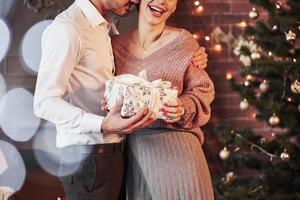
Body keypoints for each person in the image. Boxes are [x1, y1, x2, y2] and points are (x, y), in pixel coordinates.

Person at [33, 0, 208, 199]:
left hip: (123, 153)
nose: (134, 0)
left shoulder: (107, 31)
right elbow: (44, 103)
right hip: (89, 155)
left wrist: (193, 57)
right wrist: (103, 123)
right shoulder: (68, 28)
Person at [111, 0, 215, 199]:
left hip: (178, 150)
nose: (162, 2)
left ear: (175, 6)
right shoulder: (114, 46)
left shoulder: (184, 42)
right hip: (132, 154)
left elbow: (202, 92)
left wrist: (182, 107)